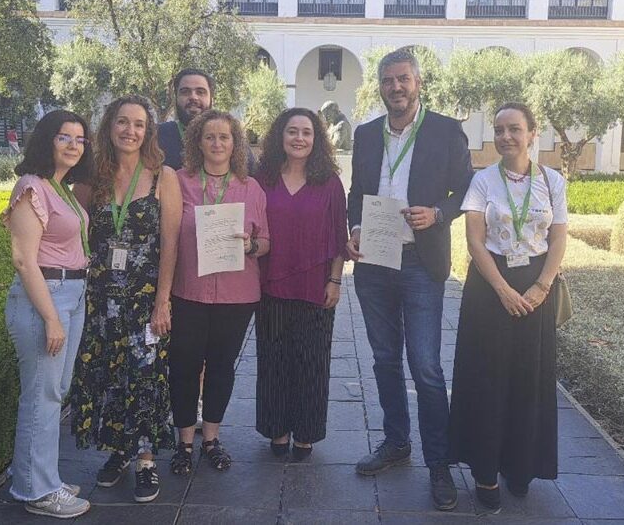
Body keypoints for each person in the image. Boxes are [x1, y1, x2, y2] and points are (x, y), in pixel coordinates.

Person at [346, 48, 473, 511]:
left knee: (425, 365)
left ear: (418, 83)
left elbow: (467, 189)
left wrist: (438, 212)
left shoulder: (443, 129)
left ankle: (438, 463)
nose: (395, 87)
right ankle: (396, 441)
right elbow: (356, 192)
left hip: (421, 260)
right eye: (387, 80)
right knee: (383, 358)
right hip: (375, 259)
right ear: (379, 86)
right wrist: (354, 227)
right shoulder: (364, 134)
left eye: (403, 79)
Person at [448, 102, 567, 512]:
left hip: (536, 290)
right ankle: (484, 470)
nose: (505, 137)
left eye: (514, 129)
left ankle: (520, 464)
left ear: (533, 133)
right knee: (487, 378)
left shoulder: (552, 182)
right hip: (489, 289)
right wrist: (501, 289)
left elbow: (558, 239)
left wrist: (541, 286)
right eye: (499, 129)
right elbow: (475, 241)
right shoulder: (483, 181)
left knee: (527, 378)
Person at [70, 95, 182, 504]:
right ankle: (119, 452)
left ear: (148, 131)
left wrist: (163, 301)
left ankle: (146, 460)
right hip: (100, 299)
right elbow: (66, 224)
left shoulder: (162, 177)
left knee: (146, 375)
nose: (130, 131)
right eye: (122, 122)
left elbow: (170, 242)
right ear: (109, 126)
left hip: (144, 298)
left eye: (138, 124)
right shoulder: (91, 178)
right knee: (110, 375)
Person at [3, 109, 94, 518]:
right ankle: (36, 490)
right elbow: (24, 260)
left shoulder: (63, 188)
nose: (74, 145)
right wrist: (52, 318)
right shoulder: (31, 187)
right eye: (64, 137)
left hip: (71, 292)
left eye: (79, 139)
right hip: (47, 297)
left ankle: (37, 475)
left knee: (53, 393)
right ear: (46, 140)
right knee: (41, 396)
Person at [168, 109, 269, 475]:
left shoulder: (250, 187)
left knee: (222, 368)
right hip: (188, 290)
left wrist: (250, 246)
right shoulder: (178, 181)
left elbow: (266, 242)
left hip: (236, 294)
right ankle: (184, 442)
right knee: (183, 367)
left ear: (235, 143)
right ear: (197, 142)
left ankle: (210, 439)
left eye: (224, 137)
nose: (217, 143)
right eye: (209, 137)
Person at [254, 108, 348, 460]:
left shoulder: (330, 182)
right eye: (292, 131)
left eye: (306, 132)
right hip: (271, 286)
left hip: (315, 286)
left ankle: (305, 433)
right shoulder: (262, 179)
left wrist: (335, 280)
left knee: (312, 361)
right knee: (274, 359)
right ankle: (277, 429)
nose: (299, 138)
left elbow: (340, 234)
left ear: (316, 139)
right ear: (280, 136)